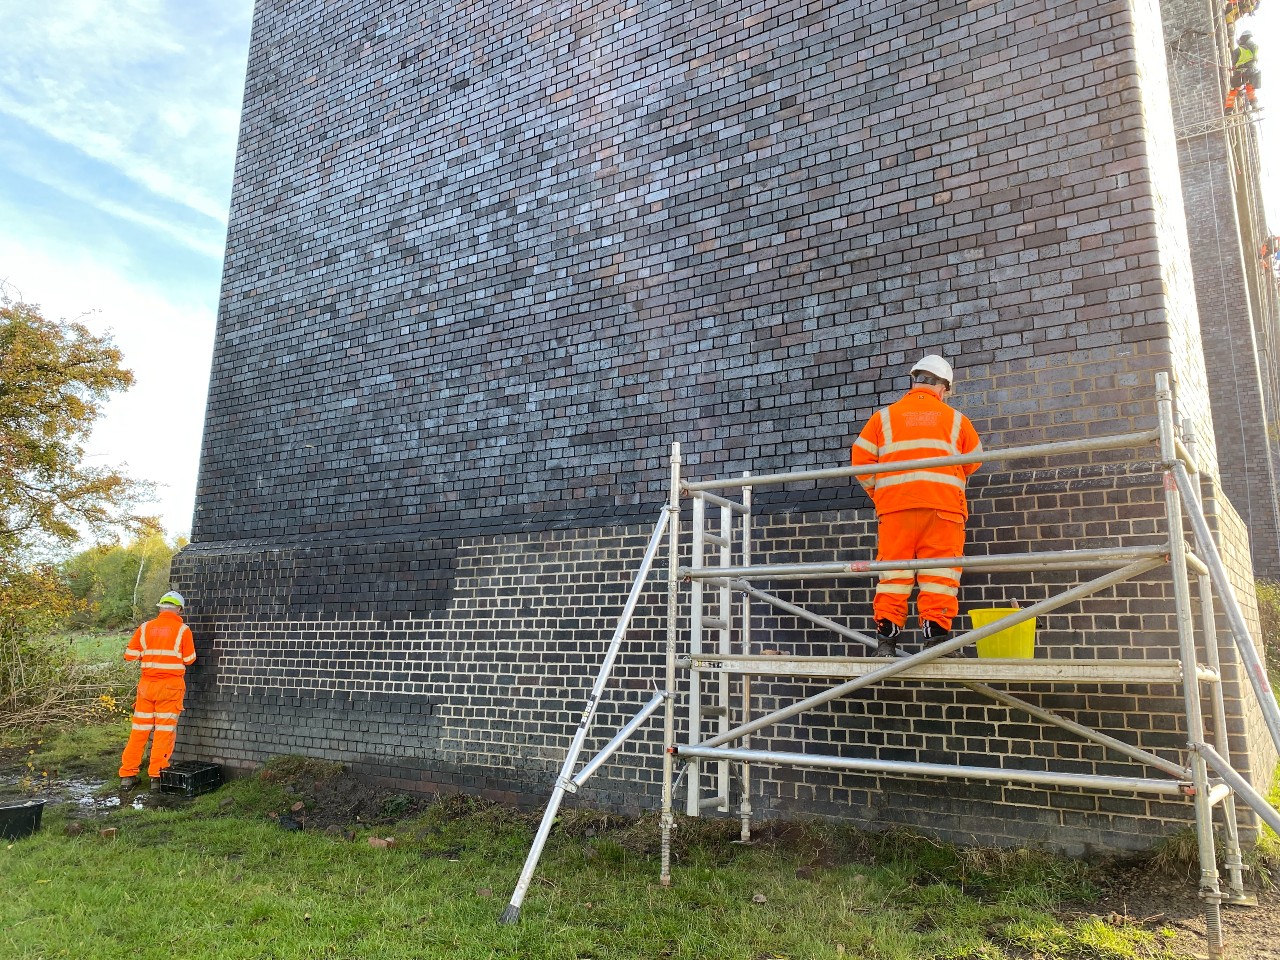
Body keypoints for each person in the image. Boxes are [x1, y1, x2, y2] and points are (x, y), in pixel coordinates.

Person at [851, 355, 983, 657]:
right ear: (944, 387)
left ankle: (886, 644)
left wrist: (882, 493)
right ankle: (935, 641)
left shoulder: (883, 418)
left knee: (893, 574)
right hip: (943, 510)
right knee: (940, 576)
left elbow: (861, 462)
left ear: (915, 381)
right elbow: (973, 461)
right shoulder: (956, 420)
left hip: (895, 511)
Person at [118, 591, 197, 791]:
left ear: (160, 607)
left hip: (146, 687)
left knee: (138, 732)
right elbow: (189, 659)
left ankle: (128, 775)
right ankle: (156, 776)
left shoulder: (144, 628)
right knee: (163, 732)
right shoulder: (183, 630)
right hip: (170, 688)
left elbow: (130, 655)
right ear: (179, 609)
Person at [1225, 32, 1261, 110]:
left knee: (1233, 89)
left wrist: (1233, 68)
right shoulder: (1253, 49)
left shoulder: (1237, 50)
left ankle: (1229, 109)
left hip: (1240, 72)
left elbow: (1234, 64)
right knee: (1250, 88)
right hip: (1252, 71)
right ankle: (1254, 104)